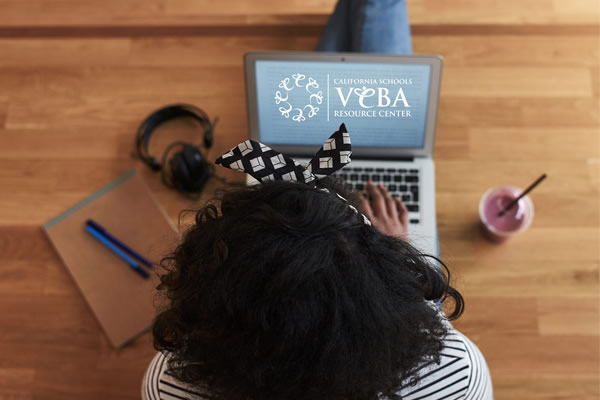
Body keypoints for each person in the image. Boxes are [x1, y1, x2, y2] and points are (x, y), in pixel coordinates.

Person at [142, 1, 494, 399]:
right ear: (379, 304)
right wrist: (399, 252)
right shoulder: (455, 377)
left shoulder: (172, 381)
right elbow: (426, 315)